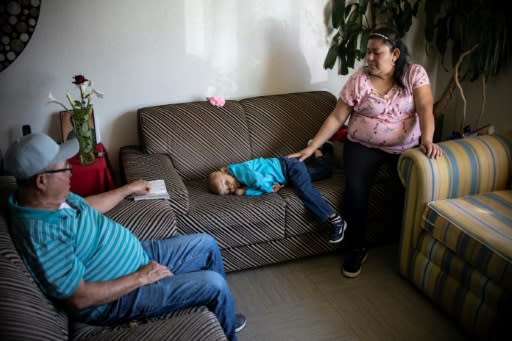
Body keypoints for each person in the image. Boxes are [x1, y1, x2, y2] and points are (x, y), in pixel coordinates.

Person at [4, 132, 246, 340]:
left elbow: (87, 205)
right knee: (214, 285)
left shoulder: (50, 200)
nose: (70, 174)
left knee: (205, 243)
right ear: (41, 181)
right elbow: (79, 298)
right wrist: (141, 278)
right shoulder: (43, 235)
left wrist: (127, 188)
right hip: (116, 299)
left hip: (137, 257)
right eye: (64, 168)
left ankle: (223, 314)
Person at [289, 27, 443, 278]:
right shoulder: (359, 80)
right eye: (367, 52)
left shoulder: (414, 74)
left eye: (375, 53)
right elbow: (338, 116)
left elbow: (425, 108)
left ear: (394, 54)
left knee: (416, 189)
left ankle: (411, 244)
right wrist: (312, 146)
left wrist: (427, 139)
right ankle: (357, 248)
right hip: (363, 146)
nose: (369, 58)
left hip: (405, 147)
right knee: (356, 193)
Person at [207, 143, 347, 244]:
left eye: (226, 183)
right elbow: (258, 187)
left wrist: (249, 191)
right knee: (322, 173)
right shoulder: (238, 179)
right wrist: (246, 190)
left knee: (305, 191)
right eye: (227, 191)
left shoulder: (238, 170)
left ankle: (335, 220)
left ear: (224, 170)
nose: (230, 188)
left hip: (288, 167)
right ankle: (321, 151)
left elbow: (257, 180)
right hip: (287, 174)